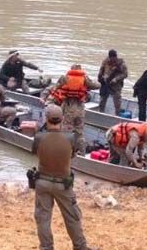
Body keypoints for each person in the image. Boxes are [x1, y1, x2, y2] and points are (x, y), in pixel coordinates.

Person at [31, 104, 91, 250]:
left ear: (46, 119)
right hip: (63, 184)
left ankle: (46, 247)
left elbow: (35, 152)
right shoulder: (71, 138)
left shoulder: (39, 137)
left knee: (43, 218)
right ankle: (80, 246)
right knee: (72, 217)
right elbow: (73, 155)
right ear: (62, 119)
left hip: (42, 182)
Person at [41, 64, 100, 154]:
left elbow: (54, 88)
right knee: (79, 132)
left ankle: (64, 153)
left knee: (65, 131)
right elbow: (97, 86)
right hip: (80, 108)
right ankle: (82, 153)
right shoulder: (85, 78)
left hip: (68, 107)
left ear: (71, 69)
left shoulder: (64, 78)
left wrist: (45, 97)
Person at [97, 49, 128, 116]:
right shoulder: (105, 61)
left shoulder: (121, 64)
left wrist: (116, 79)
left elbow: (125, 74)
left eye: (114, 58)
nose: (112, 60)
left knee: (117, 102)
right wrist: (101, 77)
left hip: (116, 85)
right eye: (111, 58)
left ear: (115, 57)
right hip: (105, 83)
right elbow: (101, 69)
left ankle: (117, 115)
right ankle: (100, 113)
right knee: (102, 100)